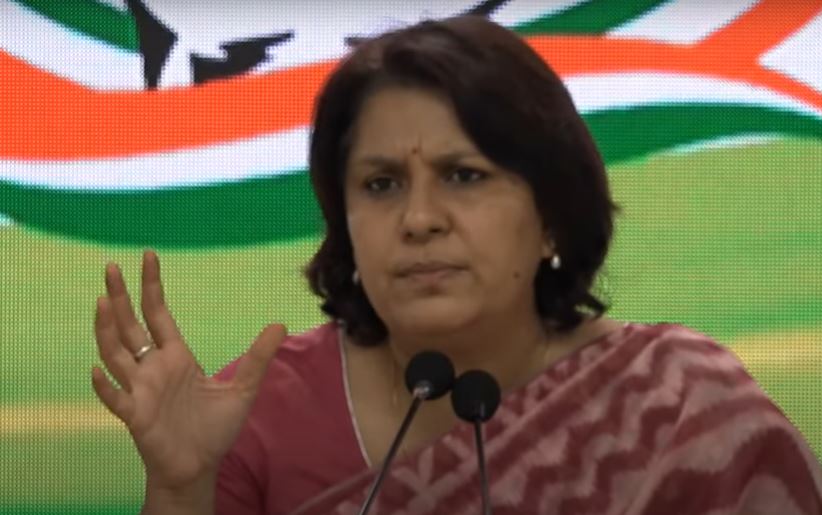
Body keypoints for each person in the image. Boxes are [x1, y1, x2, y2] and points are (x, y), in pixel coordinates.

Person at [91, 15, 822, 515]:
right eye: (381, 184)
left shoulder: (676, 401)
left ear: (552, 214)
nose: (419, 219)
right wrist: (181, 490)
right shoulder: (255, 414)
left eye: (464, 175)